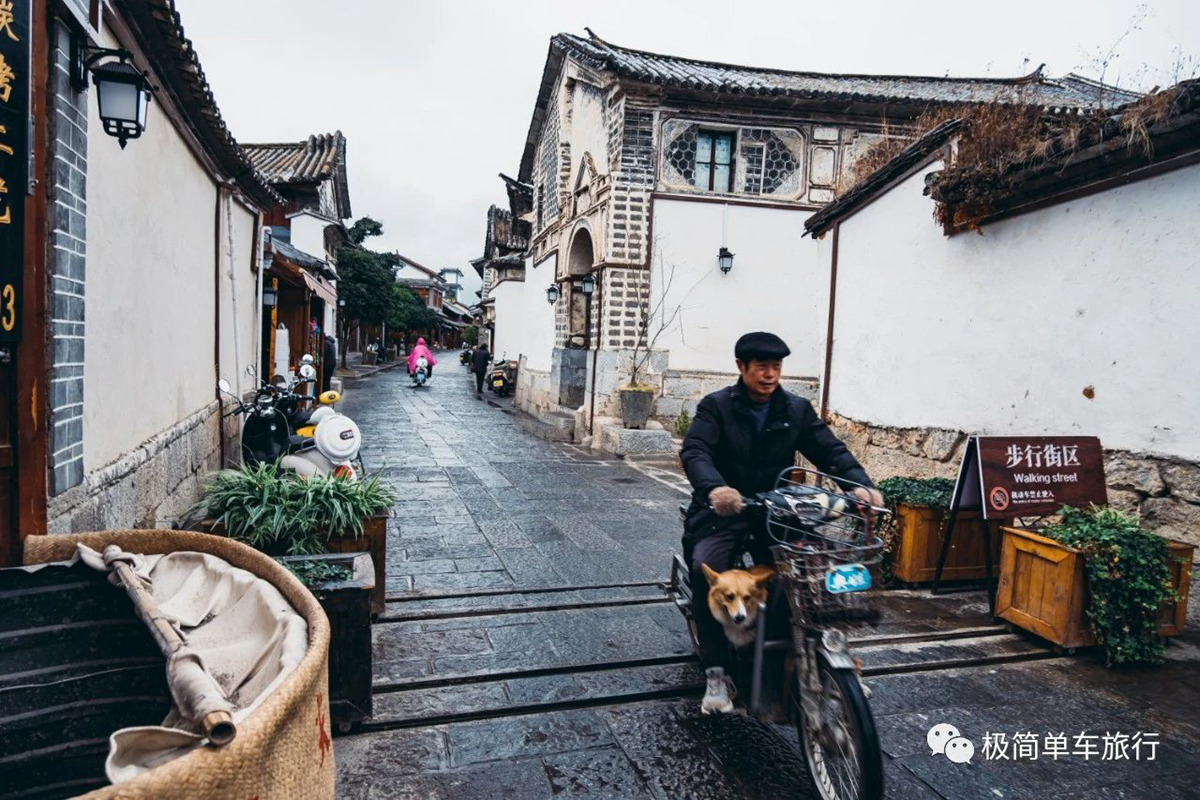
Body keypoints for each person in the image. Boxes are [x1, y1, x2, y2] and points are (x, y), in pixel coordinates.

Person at [680, 331, 883, 714]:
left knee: (813, 565)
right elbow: (696, 450)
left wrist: (860, 487)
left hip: (776, 508)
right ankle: (717, 672)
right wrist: (716, 488)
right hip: (724, 510)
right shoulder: (716, 407)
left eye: (776, 367)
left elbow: (830, 450)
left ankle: (827, 652)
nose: (770, 375)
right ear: (742, 368)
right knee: (705, 569)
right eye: (761, 367)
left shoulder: (795, 409)